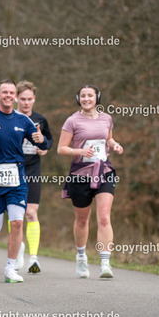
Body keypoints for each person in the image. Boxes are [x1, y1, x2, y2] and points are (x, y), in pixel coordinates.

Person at [0, 80, 47, 283]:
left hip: (17, 179)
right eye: (4, 92)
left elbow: (43, 143)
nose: (8, 95)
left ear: (15, 97)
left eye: (11, 92)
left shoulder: (23, 120)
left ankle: (10, 268)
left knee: (17, 222)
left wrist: (41, 140)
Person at [56, 85, 124, 278]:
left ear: (97, 98)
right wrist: (79, 151)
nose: (86, 99)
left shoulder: (106, 118)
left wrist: (115, 145)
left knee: (104, 217)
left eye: (90, 95)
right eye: (83, 96)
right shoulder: (72, 121)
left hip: (104, 172)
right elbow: (61, 148)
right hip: (80, 175)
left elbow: (108, 139)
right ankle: (81, 257)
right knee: (82, 220)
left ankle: (105, 263)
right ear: (78, 99)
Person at [15, 80, 53, 273]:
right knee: (16, 216)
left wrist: (44, 148)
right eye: (23, 99)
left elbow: (49, 141)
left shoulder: (40, 120)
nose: (26, 103)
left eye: (30, 99)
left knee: (31, 213)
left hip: (33, 171)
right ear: (16, 99)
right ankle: (17, 251)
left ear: (34, 99)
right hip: (12, 171)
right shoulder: (10, 118)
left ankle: (33, 258)